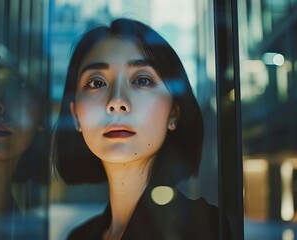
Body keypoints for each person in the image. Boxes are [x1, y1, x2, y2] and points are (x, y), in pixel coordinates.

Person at [52, 18, 231, 240]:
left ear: (174, 113)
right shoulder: (79, 236)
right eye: (97, 83)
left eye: (142, 80)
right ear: (75, 115)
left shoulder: (198, 228)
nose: (116, 101)